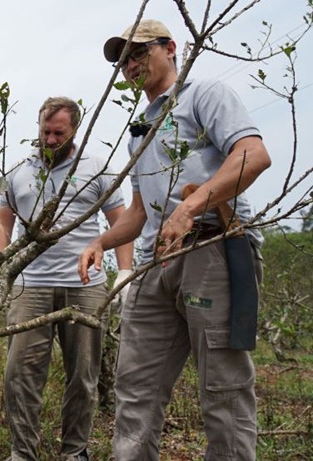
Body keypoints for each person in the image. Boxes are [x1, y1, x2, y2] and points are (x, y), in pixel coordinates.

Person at [78, 19, 271, 460]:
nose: (130, 65)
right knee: (135, 384)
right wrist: (101, 243)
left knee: (223, 386)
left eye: (139, 52)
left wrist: (190, 206)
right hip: (157, 259)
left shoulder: (204, 95)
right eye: (124, 59)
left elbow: (254, 154)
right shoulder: (141, 128)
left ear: (171, 48)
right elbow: (141, 211)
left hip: (213, 245)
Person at [0, 96, 134, 461]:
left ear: (75, 130)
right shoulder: (19, 171)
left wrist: (126, 272)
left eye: (59, 133)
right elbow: (1, 222)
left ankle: (75, 452)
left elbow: (120, 222)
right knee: (19, 376)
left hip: (85, 286)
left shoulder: (97, 168)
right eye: (45, 132)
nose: (51, 139)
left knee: (83, 376)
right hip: (29, 286)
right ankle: (22, 454)